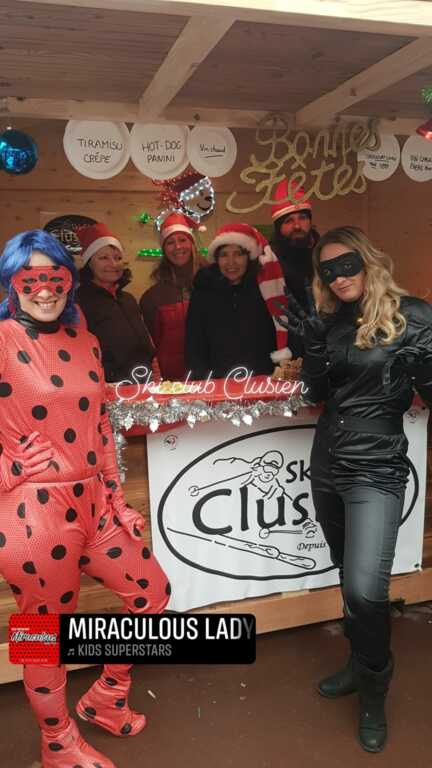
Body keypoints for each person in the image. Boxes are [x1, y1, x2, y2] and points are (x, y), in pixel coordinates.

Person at [0, 229, 170, 768]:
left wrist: (117, 500)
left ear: (68, 281)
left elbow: (99, 426)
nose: (44, 290)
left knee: (152, 593)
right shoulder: (2, 339)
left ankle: (106, 696)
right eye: (31, 278)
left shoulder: (86, 339)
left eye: (55, 277)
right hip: (32, 512)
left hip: (94, 503)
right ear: (11, 283)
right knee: (43, 633)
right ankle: (57, 742)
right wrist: (7, 467)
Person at [280, 225, 432, 752]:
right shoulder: (331, 320)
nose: (339, 278)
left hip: (377, 468)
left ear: (369, 261)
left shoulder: (413, 316)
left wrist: (424, 367)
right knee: (349, 578)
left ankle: (373, 690)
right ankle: (356, 663)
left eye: (347, 266)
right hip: (327, 461)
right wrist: (312, 348)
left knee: (367, 591)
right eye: (328, 272)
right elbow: (315, 394)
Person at [185, 223, 291, 380]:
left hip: (261, 380)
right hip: (217, 383)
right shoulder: (203, 293)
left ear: (249, 257)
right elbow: (195, 345)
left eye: (238, 254)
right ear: (216, 259)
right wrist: (202, 383)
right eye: (224, 255)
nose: (231, 262)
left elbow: (277, 334)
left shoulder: (265, 290)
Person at [75, 222, 155, 383]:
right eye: (103, 258)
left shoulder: (128, 299)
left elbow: (147, 341)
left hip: (144, 381)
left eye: (118, 258)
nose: (113, 264)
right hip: (109, 386)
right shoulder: (79, 302)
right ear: (88, 263)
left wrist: (155, 370)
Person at [139, 212, 203, 381]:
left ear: (192, 244)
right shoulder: (152, 297)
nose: (177, 247)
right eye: (170, 242)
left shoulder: (212, 285)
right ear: (164, 249)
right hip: (172, 381)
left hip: (210, 376)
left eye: (182, 240)